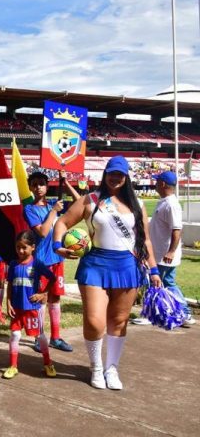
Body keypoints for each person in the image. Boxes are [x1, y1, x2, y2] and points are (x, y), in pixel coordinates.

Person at [53, 155, 161, 390]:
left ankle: (112, 368)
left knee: (119, 321)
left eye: (120, 174)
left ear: (126, 177)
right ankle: (96, 367)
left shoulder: (138, 204)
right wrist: (56, 245)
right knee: (94, 321)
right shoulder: (90, 200)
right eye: (112, 173)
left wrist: (153, 270)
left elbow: (145, 241)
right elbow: (62, 223)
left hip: (127, 267)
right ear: (105, 174)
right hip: (95, 266)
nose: (115, 178)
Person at [24, 171, 80, 352]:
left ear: (47, 186)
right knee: (40, 298)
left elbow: (79, 201)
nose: (38, 187)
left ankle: (55, 337)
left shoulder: (54, 204)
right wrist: (54, 211)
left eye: (42, 183)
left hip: (57, 258)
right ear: (30, 187)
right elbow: (42, 232)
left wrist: (66, 182)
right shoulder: (30, 209)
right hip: (41, 261)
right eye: (34, 184)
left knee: (55, 298)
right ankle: (39, 336)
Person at [3, 231, 56, 380]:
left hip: (32, 308)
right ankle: (13, 366)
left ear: (33, 247)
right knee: (15, 335)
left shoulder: (37, 264)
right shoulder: (13, 264)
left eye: (24, 247)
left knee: (40, 336)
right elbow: (10, 284)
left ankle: (48, 363)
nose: (20, 251)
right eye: (18, 247)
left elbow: (52, 278)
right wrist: (8, 302)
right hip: (17, 308)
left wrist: (42, 294)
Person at [149, 170, 195, 325]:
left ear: (162, 184)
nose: (155, 184)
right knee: (163, 282)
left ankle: (185, 313)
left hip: (164, 255)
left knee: (166, 283)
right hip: (159, 253)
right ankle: (160, 313)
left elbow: (177, 230)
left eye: (157, 181)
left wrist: (171, 251)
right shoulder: (165, 202)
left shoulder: (171, 204)